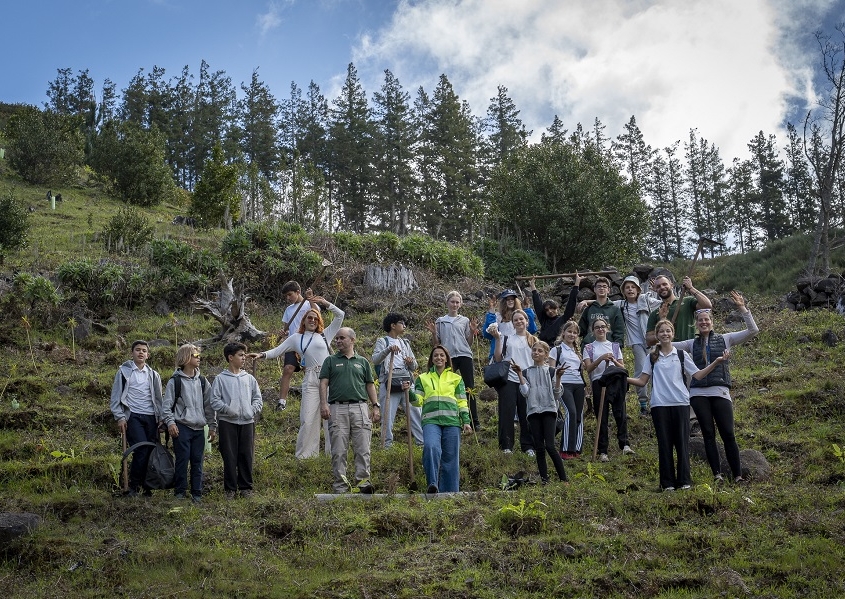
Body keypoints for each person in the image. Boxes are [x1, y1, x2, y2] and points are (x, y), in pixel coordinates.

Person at [627, 319, 726, 491]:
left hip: (680, 403)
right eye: (661, 332)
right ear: (657, 335)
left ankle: (684, 481)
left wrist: (716, 362)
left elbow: (698, 375)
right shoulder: (651, 357)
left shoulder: (681, 355)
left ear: (673, 334)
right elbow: (642, 381)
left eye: (668, 331)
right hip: (659, 405)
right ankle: (667, 484)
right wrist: (622, 377)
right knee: (664, 445)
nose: (665, 334)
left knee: (682, 444)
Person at [672, 291, 758, 483]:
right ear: (696, 323)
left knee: (728, 433)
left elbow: (753, 331)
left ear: (712, 321)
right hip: (698, 393)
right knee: (708, 434)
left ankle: (737, 475)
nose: (704, 322)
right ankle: (717, 475)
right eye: (700, 320)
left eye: (707, 320)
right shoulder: (689, 344)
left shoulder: (726, 338)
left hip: (720, 391)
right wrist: (663, 323)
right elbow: (665, 344)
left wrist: (743, 309)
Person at [251, 296, 343, 459]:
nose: (312, 320)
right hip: (310, 378)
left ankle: (333, 454)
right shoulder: (295, 338)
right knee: (307, 419)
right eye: (309, 317)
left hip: (328, 378)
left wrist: (325, 303)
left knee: (332, 418)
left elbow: (340, 315)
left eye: (315, 318)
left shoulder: (324, 335)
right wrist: (261, 354)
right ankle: (305, 456)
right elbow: (277, 350)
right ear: (304, 320)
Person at [319, 327, 381, 494]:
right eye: (337, 338)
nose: (338, 341)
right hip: (337, 408)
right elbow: (323, 383)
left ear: (352, 340)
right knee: (339, 450)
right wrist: (323, 404)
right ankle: (341, 485)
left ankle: (363, 483)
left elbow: (370, 384)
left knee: (363, 448)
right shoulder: (330, 361)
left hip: (360, 407)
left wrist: (375, 405)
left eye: (342, 338)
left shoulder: (362, 362)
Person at [409, 345, 472, 493]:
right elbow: (418, 401)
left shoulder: (456, 379)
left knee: (450, 458)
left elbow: (462, 402)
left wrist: (466, 421)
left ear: (446, 359)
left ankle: (450, 492)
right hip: (431, 422)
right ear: (431, 359)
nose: (439, 358)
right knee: (431, 447)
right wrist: (410, 393)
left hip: (452, 422)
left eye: (441, 355)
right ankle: (433, 484)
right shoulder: (423, 378)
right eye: (435, 355)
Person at [161, 344, 216, 503]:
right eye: (195, 355)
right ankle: (180, 491)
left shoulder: (203, 381)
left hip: (199, 428)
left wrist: (212, 426)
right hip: (182, 427)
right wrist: (171, 423)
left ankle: (197, 493)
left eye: (198, 355)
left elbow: (209, 406)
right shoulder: (175, 381)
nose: (198, 358)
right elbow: (167, 406)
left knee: (198, 461)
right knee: (182, 460)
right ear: (185, 358)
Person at [110, 340, 163, 497]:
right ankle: (134, 486)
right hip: (133, 416)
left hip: (151, 417)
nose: (141, 353)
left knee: (151, 451)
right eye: (138, 350)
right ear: (132, 353)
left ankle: (147, 486)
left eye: (144, 350)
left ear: (148, 354)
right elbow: (116, 397)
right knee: (141, 449)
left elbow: (159, 399)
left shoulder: (153, 375)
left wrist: (160, 418)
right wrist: (120, 417)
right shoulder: (124, 373)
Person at [209, 342, 263, 498]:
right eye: (240, 355)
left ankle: (246, 488)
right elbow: (214, 400)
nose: (244, 358)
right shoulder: (220, 379)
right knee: (229, 455)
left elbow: (257, 399)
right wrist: (228, 409)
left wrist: (250, 411)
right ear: (230, 357)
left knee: (246, 455)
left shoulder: (249, 379)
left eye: (244, 355)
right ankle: (230, 489)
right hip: (227, 423)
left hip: (247, 422)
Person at [514, 341, 569, 483]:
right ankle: (545, 480)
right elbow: (525, 392)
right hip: (533, 412)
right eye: (534, 350)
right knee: (539, 447)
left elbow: (557, 395)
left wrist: (558, 378)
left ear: (546, 355)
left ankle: (564, 479)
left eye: (540, 351)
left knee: (550, 445)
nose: (536, 353)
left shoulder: (551, 371)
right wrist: (520, 375)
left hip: (549, 410)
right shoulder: (527, 372)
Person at [425, 291, 481, 429]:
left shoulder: (465, 320)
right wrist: (433, 333)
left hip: (465, 355)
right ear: (447, 303)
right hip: (448, 356)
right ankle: (452, 417)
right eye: (452, 302)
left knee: (469, 388)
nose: (455, 304)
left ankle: (474, 421)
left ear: (460, 304)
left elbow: (468, 342)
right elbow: (436, 344)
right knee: (448, 386)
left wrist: (473, 332)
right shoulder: (440, 321)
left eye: (457, 302)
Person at [488, 309, 537, 455]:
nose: (519, 322)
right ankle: (506, 445)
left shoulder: (534, 340)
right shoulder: (507, 338)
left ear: (527, 321)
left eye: (521, 319)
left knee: (526, 413)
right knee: (506, 413)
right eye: (515, 320)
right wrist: (497, 339)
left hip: (527, 380)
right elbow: (498, 358)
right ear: (513, 323)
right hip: (509, 379)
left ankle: (528, 445)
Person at [583, 317, 632, 462]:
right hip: (599, 381)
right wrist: (601, 359)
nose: (600, 329)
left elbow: (623, 368)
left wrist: (613, 361)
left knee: (620, 412)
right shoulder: (589, 348)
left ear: (607, 328)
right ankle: (603, 450)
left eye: (603, 326)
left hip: (616, 380)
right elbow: (589, 368)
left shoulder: (615, 346)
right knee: (602, 415)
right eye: (597, 327)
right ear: (593, 331)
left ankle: (625, 445)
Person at [372, 313, 423, 447]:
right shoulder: (383, 341)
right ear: (393, 325)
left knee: (416, 413)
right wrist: (388, 350)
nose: (404, 326)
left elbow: (414, 366)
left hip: (406, 380)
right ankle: (386, 446)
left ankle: (422, 443)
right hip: (389, 380)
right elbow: (375, 359)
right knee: (387, 416)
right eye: (402, 323)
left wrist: (410, 362)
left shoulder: (405, 342)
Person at [615, 276, 662, 416]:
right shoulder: (622, 305)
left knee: (656, 371)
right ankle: (643, 405)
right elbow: (605, 301)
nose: (630, 290)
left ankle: (657, 402)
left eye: (633, 287)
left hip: (651, 341)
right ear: (623, 290)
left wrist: (656, 292)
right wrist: (587, 301)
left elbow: (665, 303)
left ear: (638, 289)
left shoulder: (646, 300)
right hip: (636, 343)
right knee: (641, 371)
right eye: (627, 287)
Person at [277, 280, 318, 410]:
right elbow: (287, 327)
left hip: (307, 343)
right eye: (286, 296)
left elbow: (317, 312)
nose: (288, 298)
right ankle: (282, 402)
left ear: (298, 292)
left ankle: (311, 399)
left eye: (290, 295)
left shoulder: (307, 305)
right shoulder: (289, 310)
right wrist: (284, 332)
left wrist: (311, 298)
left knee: (308, 371)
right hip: (292, 343)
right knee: (288, 369)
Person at [549, 321, 587, 459]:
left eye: (575, 332)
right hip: (564, 383)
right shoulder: (556, 350)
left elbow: (581, 371)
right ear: (563, 333)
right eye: (569, 331)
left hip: (578, 385)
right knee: (570, 412)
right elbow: (551, 370)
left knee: (579, 415)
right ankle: (565, 449)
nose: (572, 334)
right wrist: (557, 379)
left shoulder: (577, 352)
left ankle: (576, 448)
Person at [645, 275, 712, 346]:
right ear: (655, 290)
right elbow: (649, 340)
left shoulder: (687, 301)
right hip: (669, 352)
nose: (662, 287)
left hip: (689, 349)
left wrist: (691, 288)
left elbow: (707, 305)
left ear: (671, 285)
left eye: (664, 284)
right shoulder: (655, 313)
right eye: (658, 286)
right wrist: (662, 322)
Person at [482, 289, 538, 362]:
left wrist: (527, 309)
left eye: (512, 299)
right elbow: (488, 333)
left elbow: (531, 329)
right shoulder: (497, 317)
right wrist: (491, 310)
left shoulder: (520, 317)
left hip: (519, 350)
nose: (510, 301)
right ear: (504, 302)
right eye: (507, 299)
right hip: (501, 352)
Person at [529, 274, 582, 345]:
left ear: (557, 308)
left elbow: (571, 303)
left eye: (552, 308)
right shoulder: (544, 320)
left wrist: (576, 284)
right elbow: (537, 304)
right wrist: (533, 286)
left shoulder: (564, 319)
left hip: (557, 347)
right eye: (547, 310)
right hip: (544, 347)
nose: (550, 311)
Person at [578, 277, 624, 344]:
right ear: (594, 289)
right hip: (590, 347)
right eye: (599, 286)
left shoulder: (615, 309)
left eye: (604, 286)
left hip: (608, 347)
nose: (601, 288)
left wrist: (617, 347)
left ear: (608, 290)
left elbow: (619, 332)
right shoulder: (588, 309)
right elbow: (580, 330)